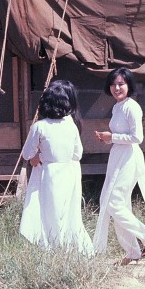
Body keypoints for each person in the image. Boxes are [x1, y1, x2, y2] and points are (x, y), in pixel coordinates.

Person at [93, 67, 145, 264]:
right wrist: (107, 139)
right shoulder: (117, 107)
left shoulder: (132, 107)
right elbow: (122, 136)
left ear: (129, 85)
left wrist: (112, 137)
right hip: (117, 155)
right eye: (113, 84)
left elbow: (137, 137)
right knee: (116, 203)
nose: (117, 88)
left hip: (129, 157)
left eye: (121, 84)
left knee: (113, 202)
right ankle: (133, 252)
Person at [19, 79, 93, 256]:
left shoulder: (39, 126)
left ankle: (53, 247)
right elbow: (78, 154)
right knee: (68, 211)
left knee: (49, 211)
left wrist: (39, 156)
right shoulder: (71, 126)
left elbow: (27, 154)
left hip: (49, 173)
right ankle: (72, 246)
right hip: (68, 171)